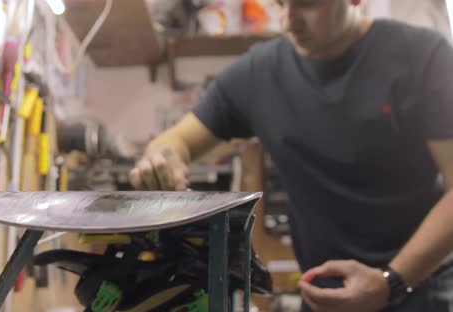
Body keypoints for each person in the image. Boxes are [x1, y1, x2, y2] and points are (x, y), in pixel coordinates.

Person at [128, 0, 453, 311]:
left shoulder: (423, 57)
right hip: (325, 294)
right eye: (280, 3)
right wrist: (161, 158)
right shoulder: (257, 73)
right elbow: (177, 142)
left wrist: (390, 282)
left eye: (308, 3)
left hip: (419, 288)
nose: (287, 20)